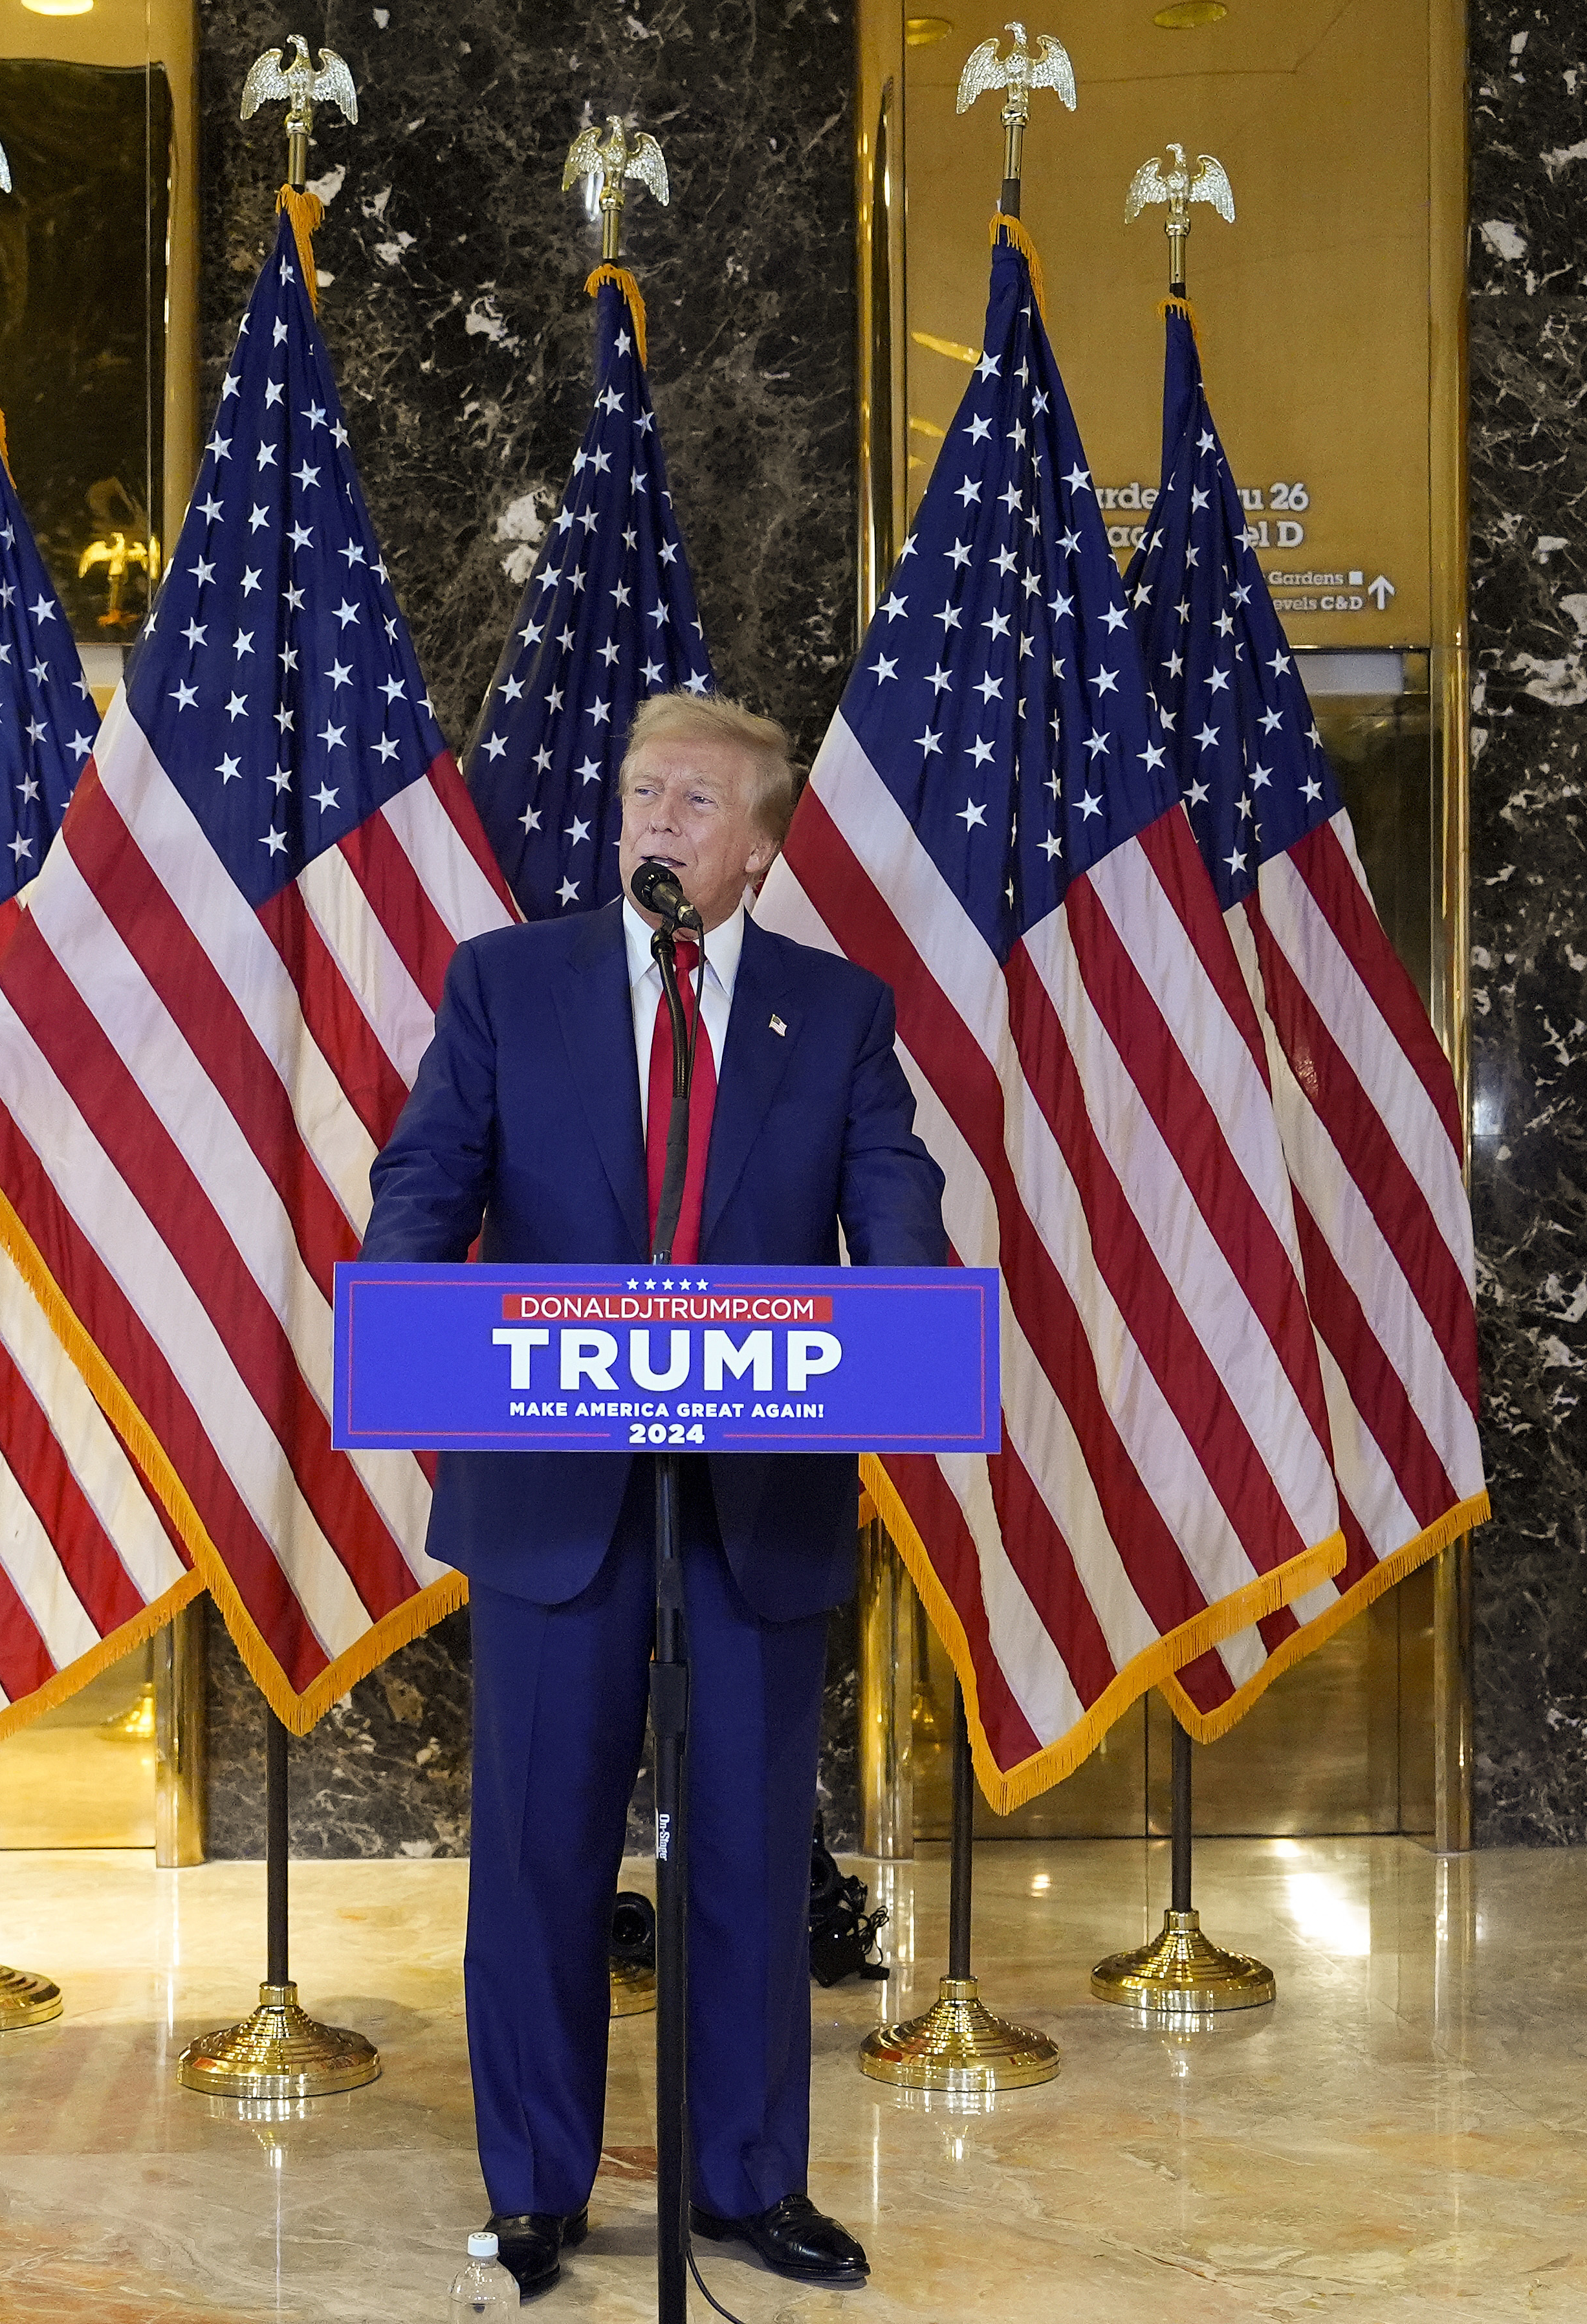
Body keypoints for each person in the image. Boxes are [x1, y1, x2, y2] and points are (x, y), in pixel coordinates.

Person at [361, 694, 948, 2301]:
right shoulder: (509, 980)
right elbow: (427, 1175)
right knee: (541, 1857)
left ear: (759, 847)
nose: (656, 823)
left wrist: (909, 1315)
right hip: (555, 1496)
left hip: (750, 1505)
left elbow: (890, 1199)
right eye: (640, 795)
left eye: (694, 801)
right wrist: (409, 1307)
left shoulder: (834, 1012)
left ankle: (750, 2182)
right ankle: (538, 2184)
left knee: (750, 1862)